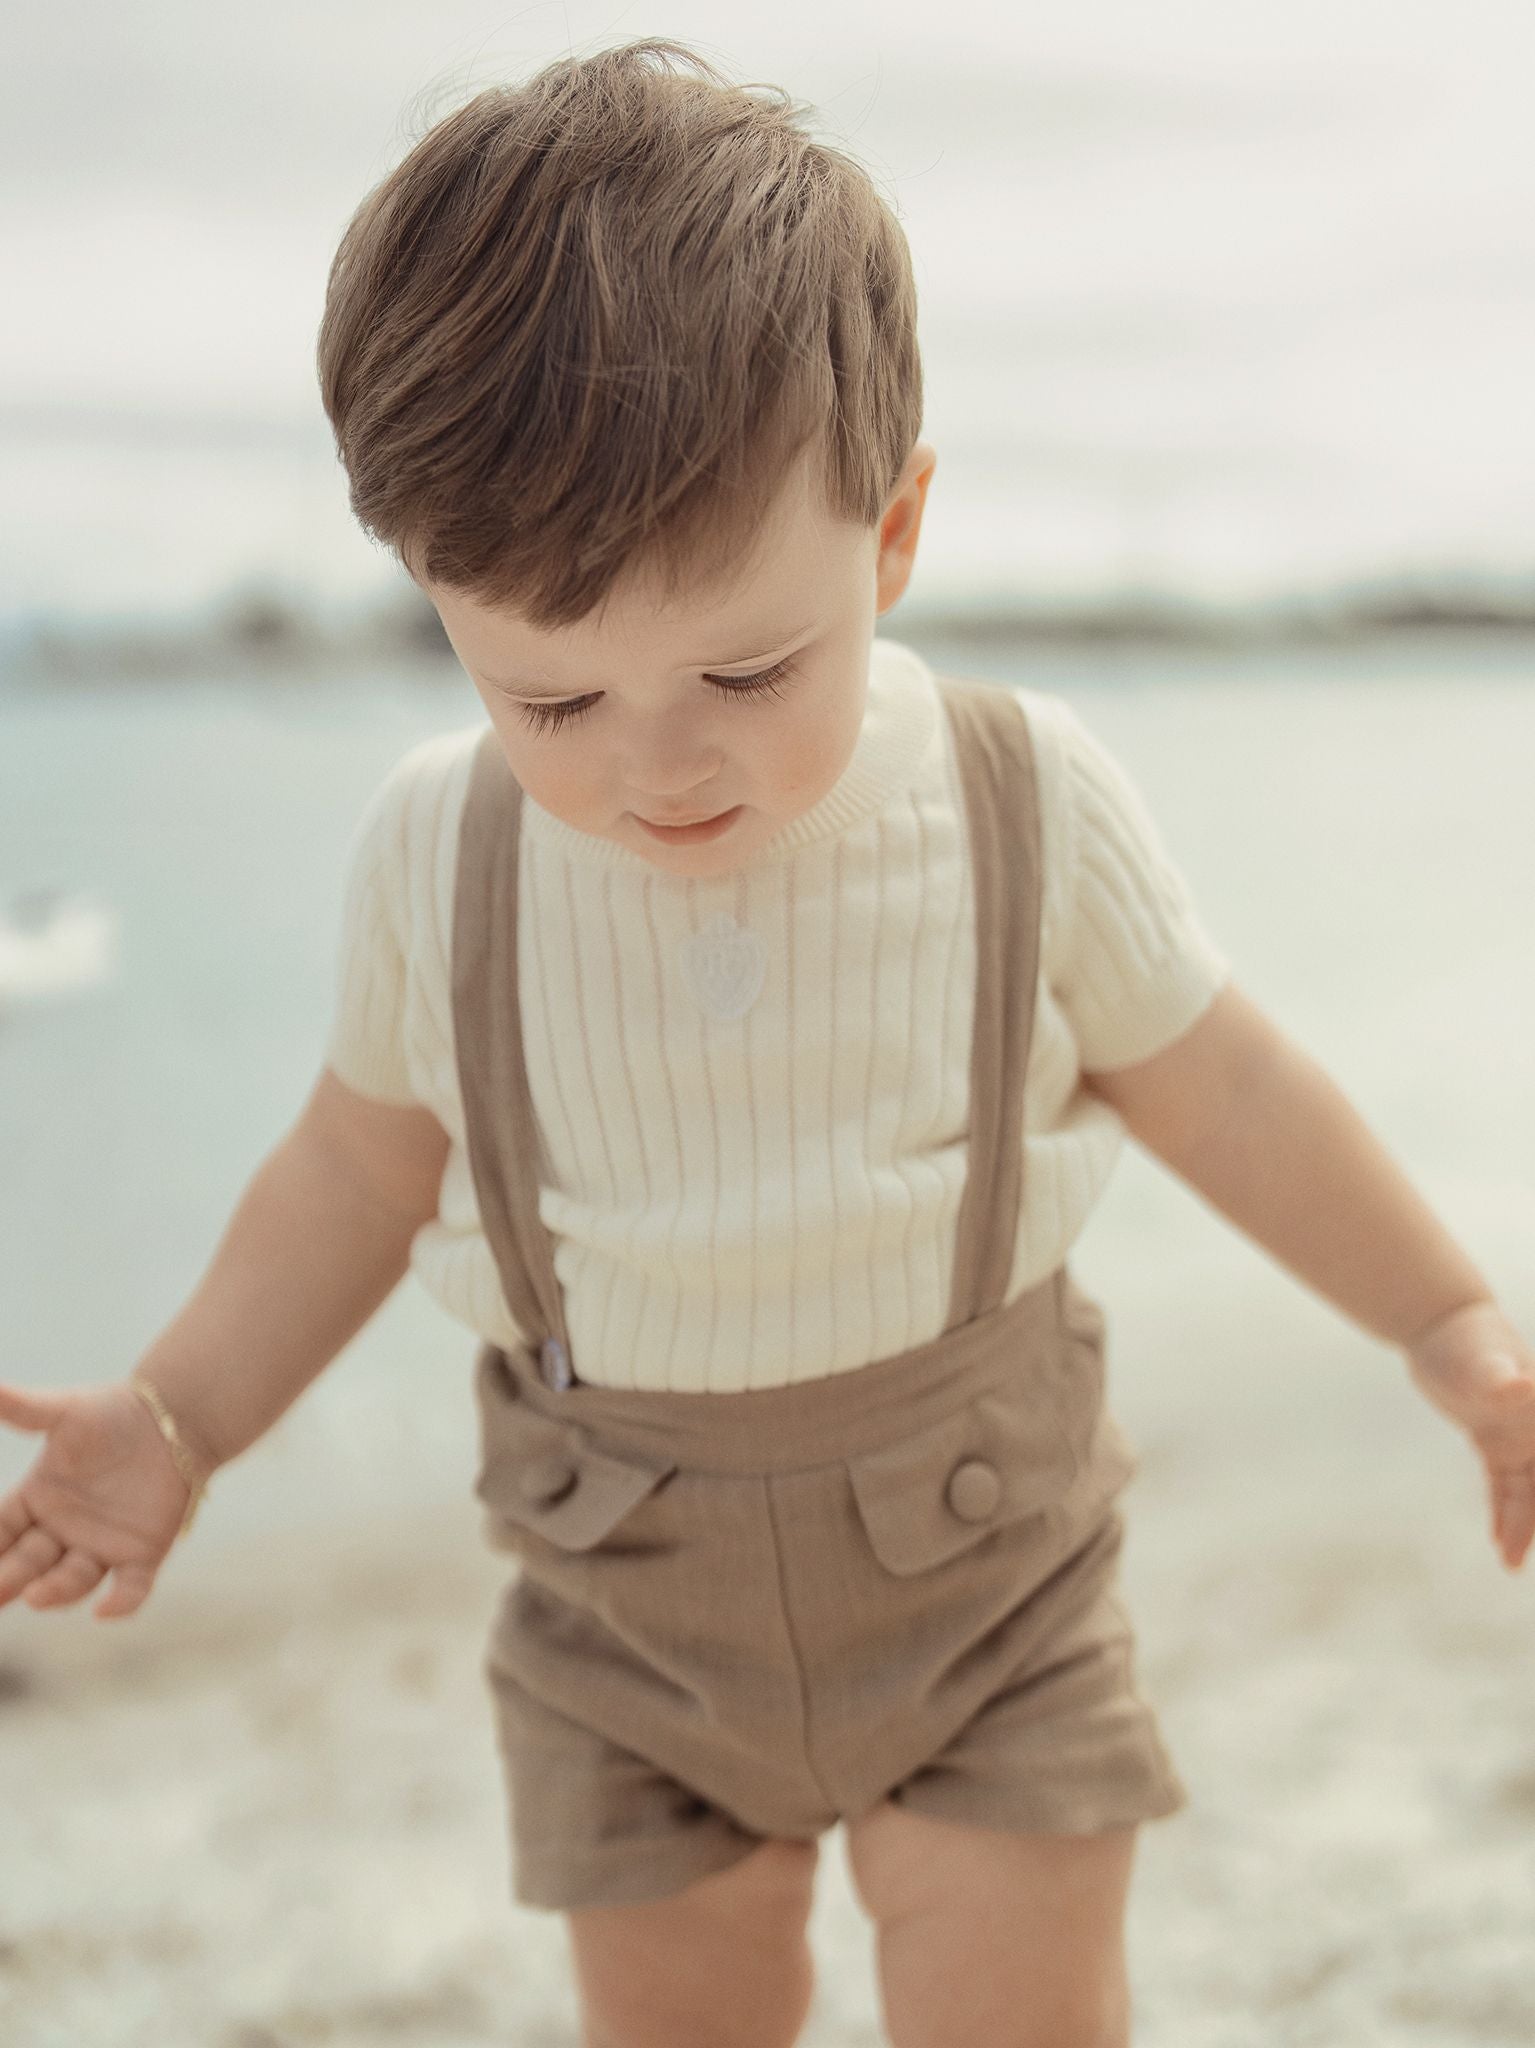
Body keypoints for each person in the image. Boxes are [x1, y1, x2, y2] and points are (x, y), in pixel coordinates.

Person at [1, 38, 1531, 2048]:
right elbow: (359, 1172)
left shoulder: (1020, 798)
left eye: (747, 668)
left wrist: (1449, 1322)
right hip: (623, 1621)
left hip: (991, 1591)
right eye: (553, 701)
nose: (659, 767)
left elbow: (1223, 1084)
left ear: (892, 535)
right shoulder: (437, 855)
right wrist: (179, 1416)